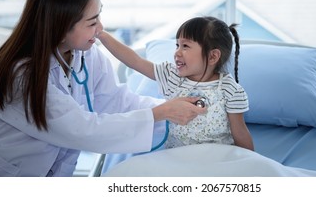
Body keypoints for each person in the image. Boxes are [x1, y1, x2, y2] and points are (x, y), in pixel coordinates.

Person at [0, 0, 205, 177]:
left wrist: (174, 107)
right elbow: (80, 129)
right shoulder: (19, 76)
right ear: (60, 26)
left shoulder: (86, 55)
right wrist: (162, 113)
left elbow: (116, 101)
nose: (100, 28)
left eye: (99, 17)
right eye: (92, 22)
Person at [98, 16, 255, 151]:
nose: (177, 52)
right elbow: (135, 61)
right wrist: (102, 35)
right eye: (177, 45)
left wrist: (250, 167)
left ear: (213, 56)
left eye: (185, 46)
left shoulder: (229, 90)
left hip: (217, 159)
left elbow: (240, 133)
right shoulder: (172, 77)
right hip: (178, 160)